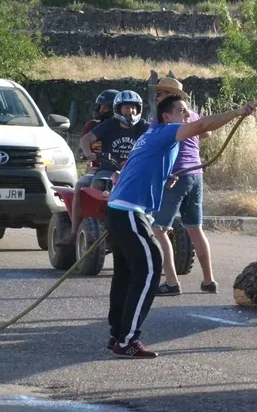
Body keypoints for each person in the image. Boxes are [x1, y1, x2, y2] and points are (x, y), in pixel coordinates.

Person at [105, 94, 257, 358]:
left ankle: (117, 335)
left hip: (118, 210)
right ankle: (127, 340)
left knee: (126, 274)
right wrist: (238, 112)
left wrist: (165, 178)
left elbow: (138, 167)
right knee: (149, 268)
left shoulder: (152, 136)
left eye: (188, 111)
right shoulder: (166, 131)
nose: (188, 115)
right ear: (167, 116)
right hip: (129, 212)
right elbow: (202, 126)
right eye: (182, 111)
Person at [149, 77, 217, 297]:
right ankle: (209, 280)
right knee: (195, 228)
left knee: (159, 229)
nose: (157, 97)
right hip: (196, 176)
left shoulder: (163, 119)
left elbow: (153, 148)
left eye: (160, 93)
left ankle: (171, 282)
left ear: (171, 95)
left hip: (176, 176)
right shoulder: (192, 115)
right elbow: (206, 131)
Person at [59, 91, 149, 246]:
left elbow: (158, 138)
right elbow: (85, 140)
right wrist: (89, 153)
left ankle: (153, 224)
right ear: (118, 109)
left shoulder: (144, 126)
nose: (131, 111)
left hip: (136, 171)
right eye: (127, 108)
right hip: (108, 168)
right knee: (97, 186)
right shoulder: (109, 125)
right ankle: (95, 225)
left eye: (134, 108)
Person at [60, 89, 118, 247]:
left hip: (121, 169)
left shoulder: (124, 128)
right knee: (80, 186)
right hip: (96, 169)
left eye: (105, 107)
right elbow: (80, 150)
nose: (101, 110)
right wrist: (87, 155)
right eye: (100, 106)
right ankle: (76, 231)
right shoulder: (92, 126)